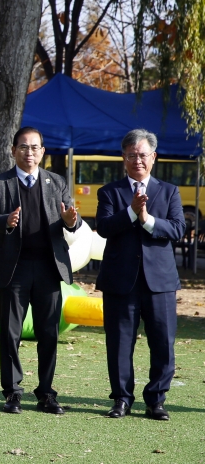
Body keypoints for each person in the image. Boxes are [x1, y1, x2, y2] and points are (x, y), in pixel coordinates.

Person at [0, 126, 80, 415]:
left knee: (48, 333)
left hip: (49, 267)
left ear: (43, 152)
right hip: (14, 268)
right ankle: (12, 392)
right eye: (23, 147)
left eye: (35, 147)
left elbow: (72, 220)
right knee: (10, 333)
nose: (29, 152)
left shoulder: (56, 182)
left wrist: (70, 220)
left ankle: (46, 393)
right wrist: (6, 221)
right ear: (13, 151)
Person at [96, 129, 184, 420]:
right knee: (119, 343)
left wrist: (147, 219)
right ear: (123, 158)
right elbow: (104, 228)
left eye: (143, 155)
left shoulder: (169, 191)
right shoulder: (109, 192)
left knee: (163, 343)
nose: (137, 161)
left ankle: (156, 400)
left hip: (160, 282)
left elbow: (177, 229)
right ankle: (121, 399)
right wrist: (131, 212)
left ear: (153, 157)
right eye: (131, 155)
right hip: (121, 281)